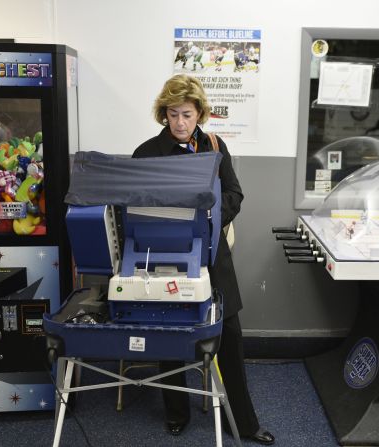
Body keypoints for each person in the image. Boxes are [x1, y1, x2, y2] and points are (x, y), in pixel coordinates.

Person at [132, 74, 275, 445]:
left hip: (212, 254)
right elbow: (134, 207)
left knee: (231, 334)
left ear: (200, 115)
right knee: (170, 333)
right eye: (174, 114)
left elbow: (235, 194)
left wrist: (210, 216)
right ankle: (176, 413)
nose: (180, 123)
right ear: (164, 114)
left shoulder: (214, 145)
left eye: (188, 115)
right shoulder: (146, 153)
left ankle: (244, 424)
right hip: (166, 255)